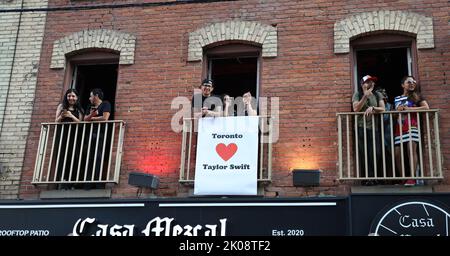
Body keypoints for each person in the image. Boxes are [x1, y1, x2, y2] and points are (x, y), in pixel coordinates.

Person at [394, 76, 429, 186]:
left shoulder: (417, 96)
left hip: (412, 126)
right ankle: (403, 178)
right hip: (400, 127)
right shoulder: (397, 98)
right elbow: (395, 112)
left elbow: (426, 108)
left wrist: (410, 109)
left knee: (411, 151)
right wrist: (397, 110)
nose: (412, 83)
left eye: (413, 82)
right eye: (409, 82)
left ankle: (412, 178)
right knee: (397, 154)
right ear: (402, 85)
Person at [352, 75, 385, 185]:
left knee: (376, 152)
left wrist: (373, 108)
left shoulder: (377, 94)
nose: (370, 83)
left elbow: (383, 109)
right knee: (364, 153)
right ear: (362, 84)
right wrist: (365, 97)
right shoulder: (358, 94)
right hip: (361, 127)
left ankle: (374, 177)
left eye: (372, 81)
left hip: (374, 128)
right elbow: (356, 109)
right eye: (368, 81)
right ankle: (366, 179)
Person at [54, 89, 84, 189]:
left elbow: (80, 123)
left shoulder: (79, 109)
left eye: (73, 96)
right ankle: (63, 181)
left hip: (74, 136)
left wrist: (71, 115)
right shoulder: (61, 106)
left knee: (73, 157)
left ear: (77, 97)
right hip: (63, 136)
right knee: (62, 157)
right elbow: (56, 121)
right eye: (69, 96)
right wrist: (62, 116)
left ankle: (72, 182)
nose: (71, 98)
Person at [83, 88, 111, 189]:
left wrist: (92, 118)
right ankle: (87, 184)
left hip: (100, 134)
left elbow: (105, 118)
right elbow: (85, 119)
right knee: (89, 158)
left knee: (98, 157)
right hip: (89, 134)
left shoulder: (105, 104)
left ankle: (98, 184)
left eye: (91, 96)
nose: (89, 98)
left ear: (96, 96)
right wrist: (92, 115)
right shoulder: (90, 106)